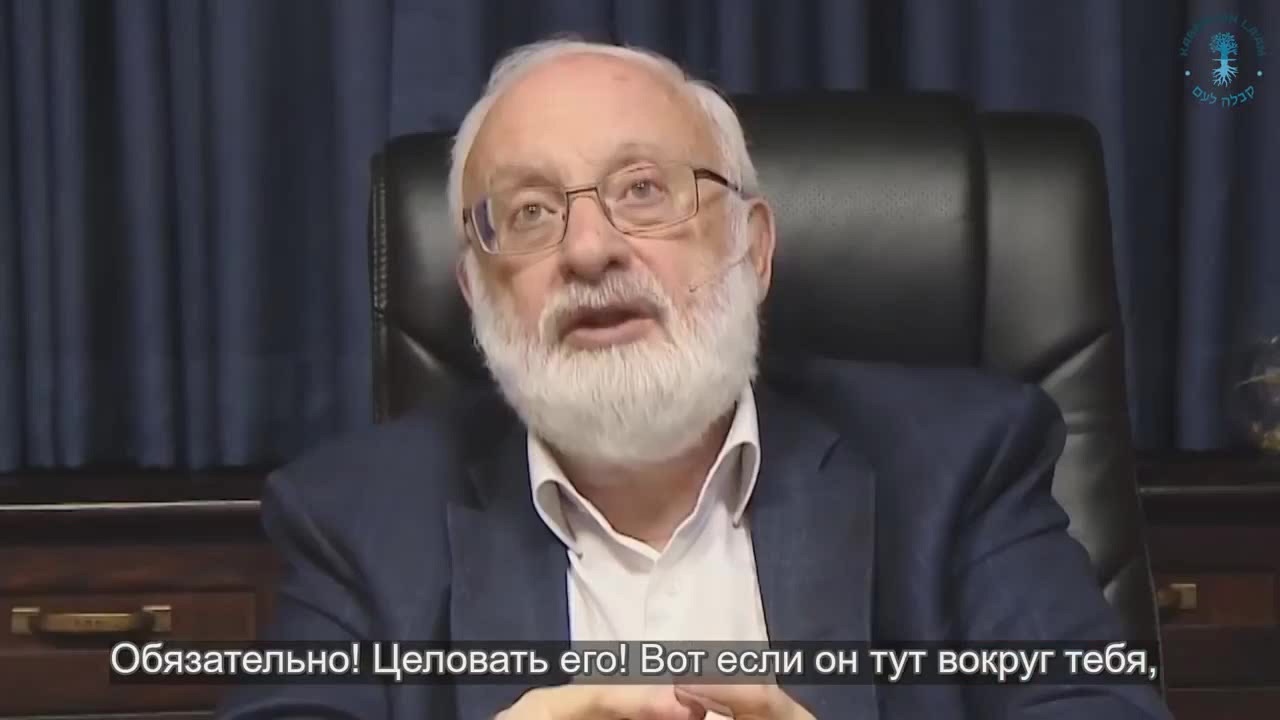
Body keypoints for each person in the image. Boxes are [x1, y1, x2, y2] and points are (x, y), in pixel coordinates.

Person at [219, 39, 1171, 720]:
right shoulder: (359, 518)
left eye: (643, 192)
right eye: (532, 213)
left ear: (753, 249)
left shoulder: (958, 467)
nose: (589, 251)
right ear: (475, 291)